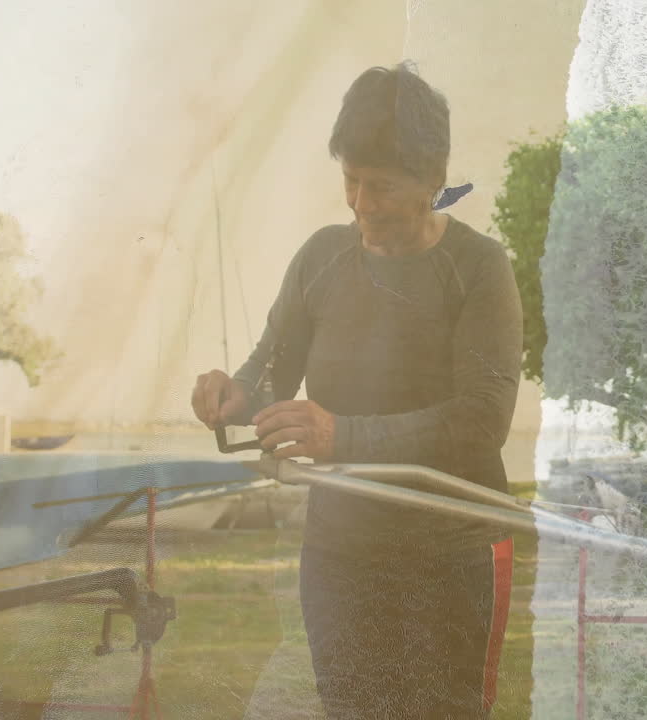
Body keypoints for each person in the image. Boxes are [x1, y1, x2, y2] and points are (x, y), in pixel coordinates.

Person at [190, 62, 523, 719]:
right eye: (351, 180)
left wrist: (342, 436)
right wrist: (236, 395)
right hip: (340, 556)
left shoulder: (480, 268)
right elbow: (271, 369)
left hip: (451, 557)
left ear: (432, 179)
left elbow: (483, 418)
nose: (362, 203)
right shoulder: (322, 257)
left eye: (383, 185)